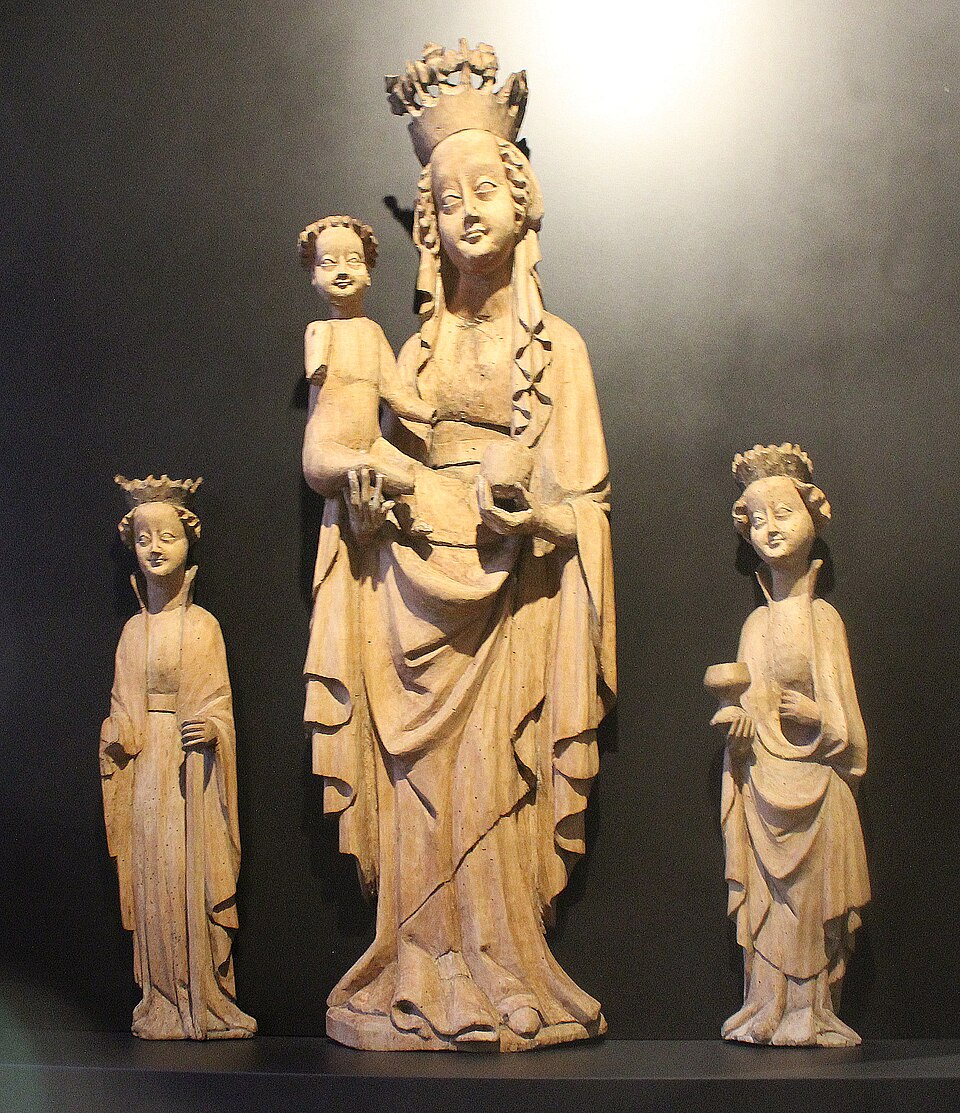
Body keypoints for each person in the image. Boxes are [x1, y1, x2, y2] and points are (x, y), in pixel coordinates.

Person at [304, 43, 616, 1051]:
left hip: (510, 600)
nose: (466, 212)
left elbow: (586, 506)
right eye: (446, 200)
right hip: (412, 601)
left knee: (491, 781)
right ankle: (420, 965)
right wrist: (363, 508)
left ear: (523, 206)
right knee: (419, 796)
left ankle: (504, 963)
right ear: (427, 227)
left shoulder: (560, 352)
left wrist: (537, 515)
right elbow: (363, 471)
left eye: (486, 190)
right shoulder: (408, 352)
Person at [712, 444, 870, 1046]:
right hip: (764, 788)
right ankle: (766, 1005)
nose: (770, 529)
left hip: (819, 789)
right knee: (771, 904)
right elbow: (747, 706)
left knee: (812, 904)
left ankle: (812, 1010)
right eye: (757, 520)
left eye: (782, 514)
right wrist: (740, 734)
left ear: (812, 518)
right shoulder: (755, 625)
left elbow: (851, 732)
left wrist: (816, 716)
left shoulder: (825, 619)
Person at [101, 475, 256, 1040]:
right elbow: (121, 707)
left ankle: (204, 997)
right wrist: (117, 731)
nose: (155, 549)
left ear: (189, 543)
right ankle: (162, 999)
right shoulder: (131, 632)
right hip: (148, 771)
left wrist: (212, 730)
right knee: (155, 879)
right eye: (144, 539)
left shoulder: (203, 627)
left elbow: (219, 706)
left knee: (191, 877)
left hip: (191, 771)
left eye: (167, 537)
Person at [299, 215, 435, 501]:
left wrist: (435, 415)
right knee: (376, 470)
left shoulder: (373, 333)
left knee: (422, 476)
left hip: (374, 446)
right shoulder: (320, 330)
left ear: (368, 273)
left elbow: (396, 395)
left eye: (353, 261)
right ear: (314, 275)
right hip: (325, 452)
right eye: (328, 263)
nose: (342, 272)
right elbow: (315, 368)